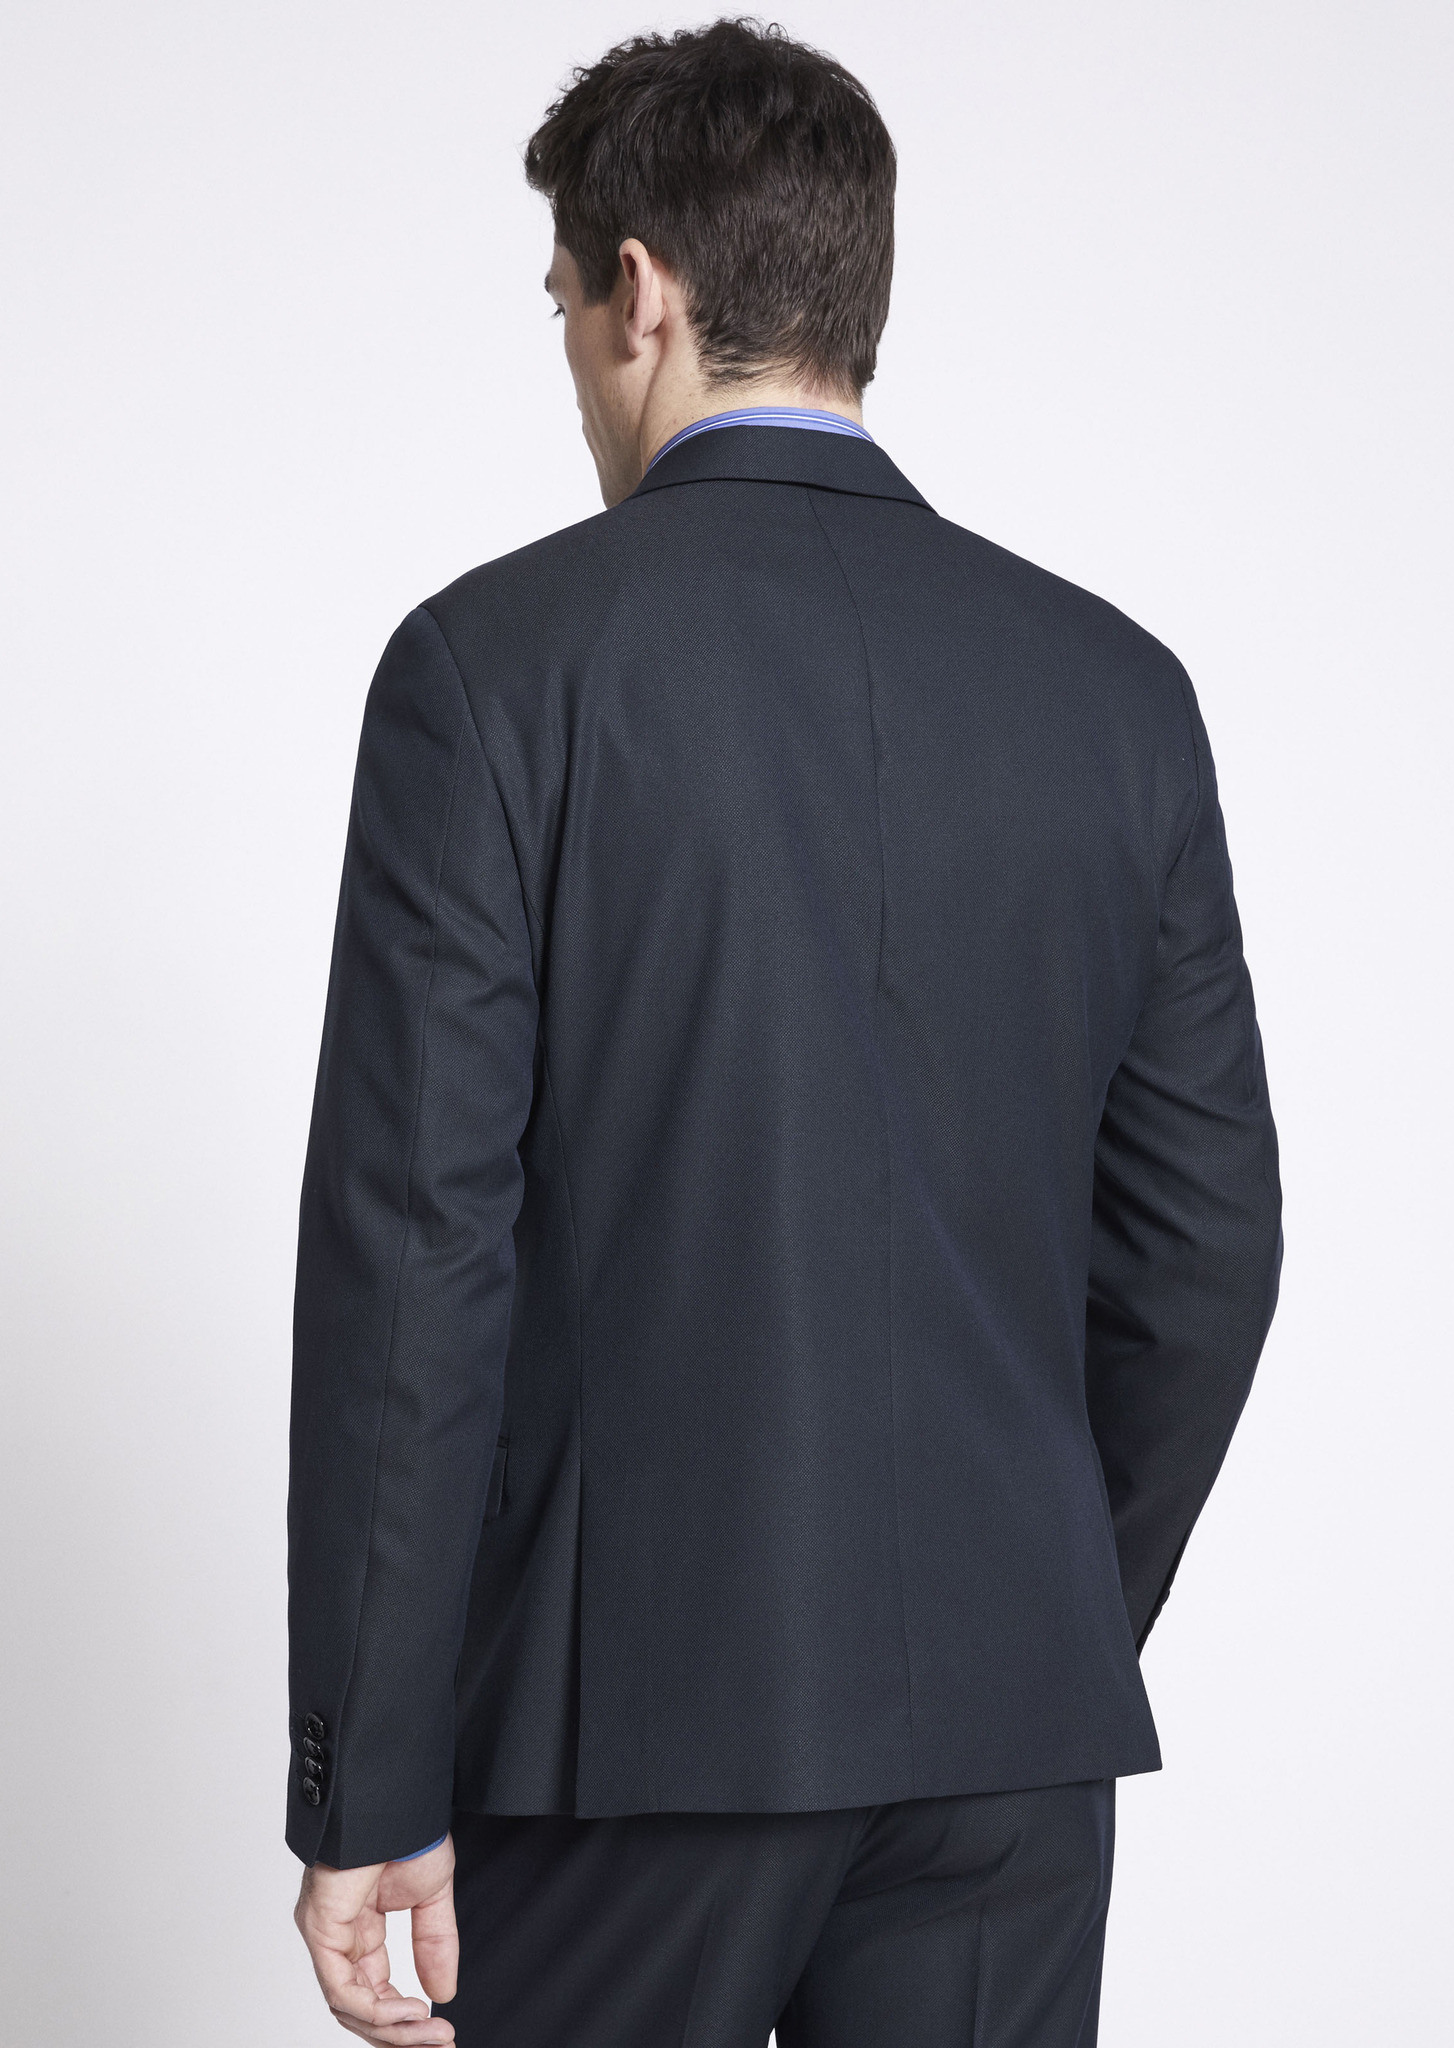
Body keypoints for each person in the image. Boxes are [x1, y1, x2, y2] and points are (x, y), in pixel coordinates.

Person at [287, 19, 1282, 2047]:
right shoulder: (1120, 693)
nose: (575, 363)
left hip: (631, 1734)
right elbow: (1205, 1252)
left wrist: (370, 1780)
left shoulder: (493, 671)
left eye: (563, 305)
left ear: (638, 286)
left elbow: (416, 1263)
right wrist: (1037, 1605)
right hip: (1011, 1743)